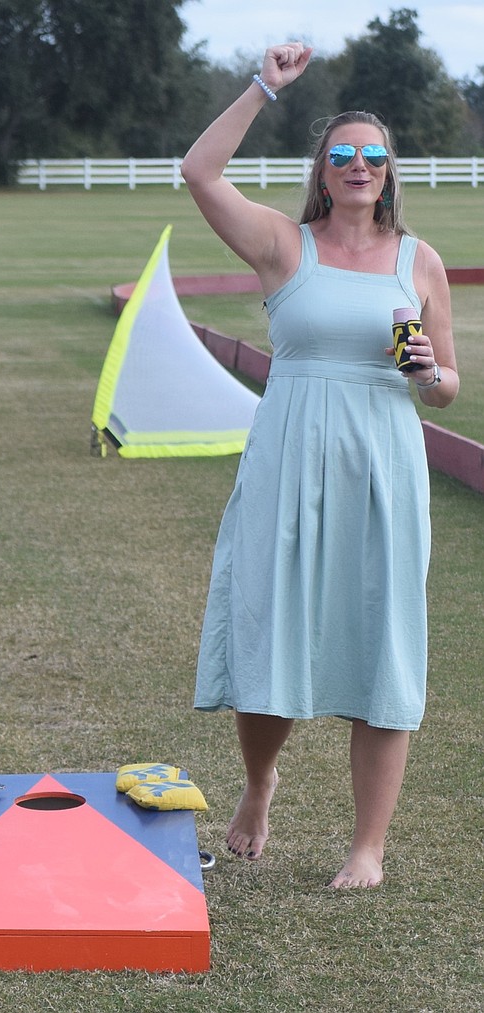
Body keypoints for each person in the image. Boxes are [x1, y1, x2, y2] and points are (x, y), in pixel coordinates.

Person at [181, 44, 458, 888]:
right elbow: (198, 170)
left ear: (391, 172)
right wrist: (266, 85)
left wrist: (425, 373)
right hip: (290, 457)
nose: (359, 167)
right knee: (272, 628)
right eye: (343, 155)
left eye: (374, 157)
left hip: (384, 465)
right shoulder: (280, 244)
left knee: (383, 644)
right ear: (322, 169)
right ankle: (260, 784)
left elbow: (448, 388)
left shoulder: (421, 262)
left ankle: (366, 847)